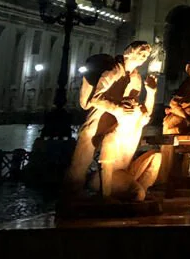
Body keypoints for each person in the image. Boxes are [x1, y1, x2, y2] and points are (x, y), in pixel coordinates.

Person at [67, 42, 161, 201]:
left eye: (145, 55)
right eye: (141, 53)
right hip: (97, 121)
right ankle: (70, 201)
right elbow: (96, 99)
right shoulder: (113, 71)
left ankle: (104, 193)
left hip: (116, 123)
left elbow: (138, 109)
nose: (143, 58)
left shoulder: (136, 78)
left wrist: (150, 94)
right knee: (80, 164)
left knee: (108, 158)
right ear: (129, 53)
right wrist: (118, 108)